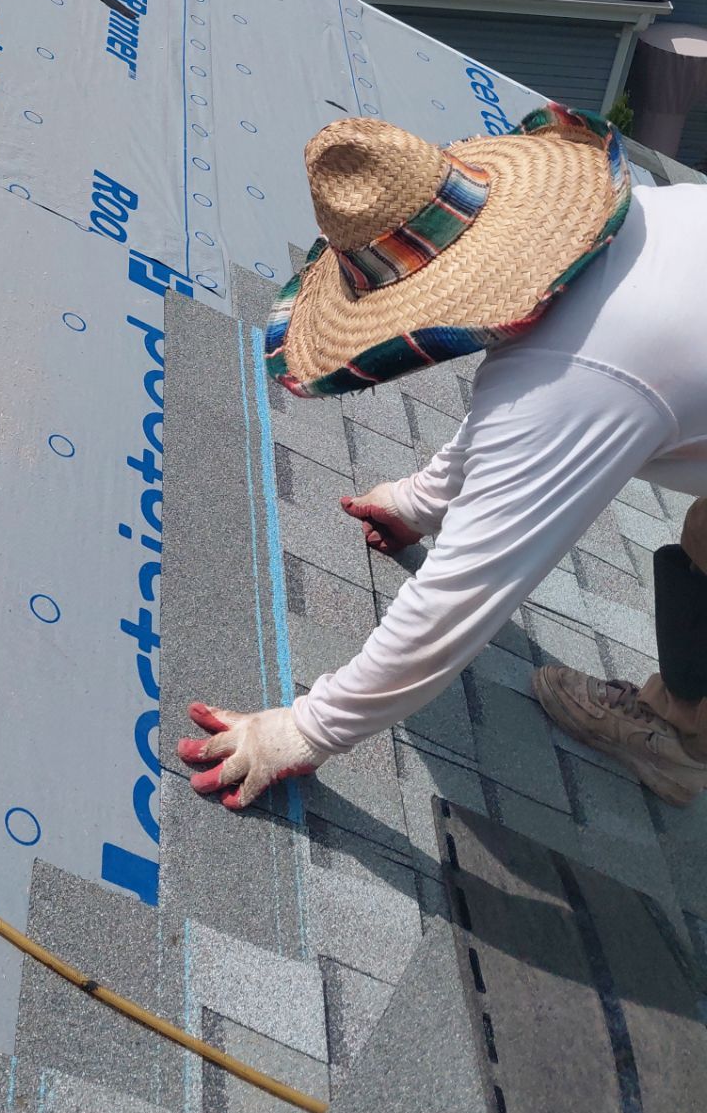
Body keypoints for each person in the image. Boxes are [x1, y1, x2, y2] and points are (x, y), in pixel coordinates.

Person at [179, 105, 707, 812]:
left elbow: (464, 592)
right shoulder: (626, 229)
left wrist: (307, 728)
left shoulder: (584, 373)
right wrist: (422, 501)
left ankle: (683, 745)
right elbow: (530, 403)